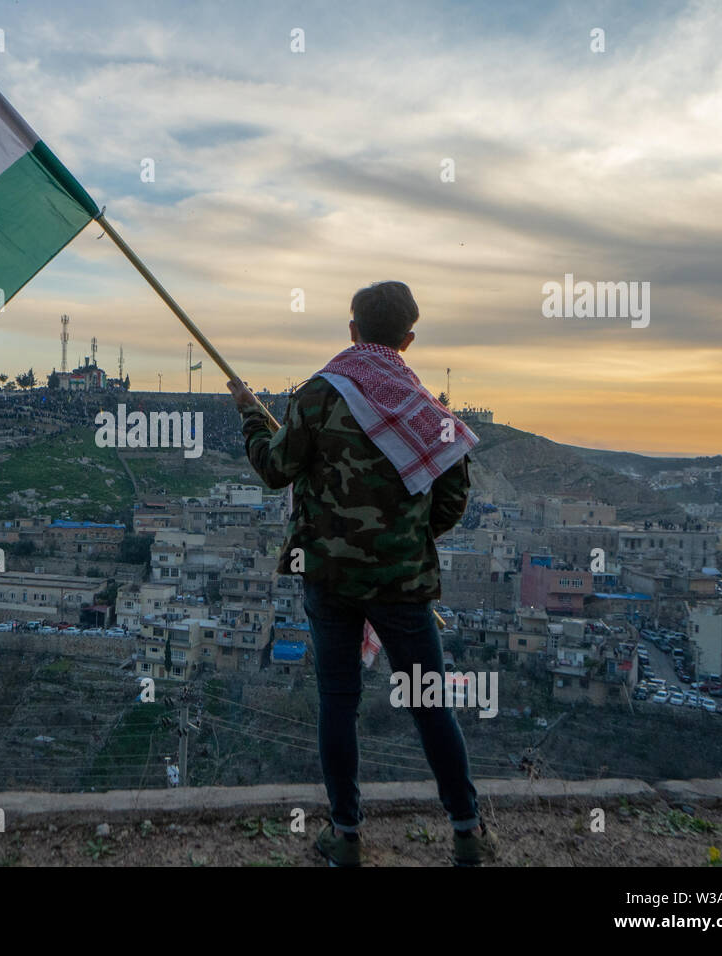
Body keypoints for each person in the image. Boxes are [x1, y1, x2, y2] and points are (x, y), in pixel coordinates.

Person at [227, 280, 498, 867]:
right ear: (408, 339)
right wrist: (404, 540)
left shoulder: (320, 394)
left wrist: (251, 417)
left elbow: (276, 469)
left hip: (328, 579)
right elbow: (452, 500)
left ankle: (345, 835)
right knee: (431, 704)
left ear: (352, 329)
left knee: (338, 702)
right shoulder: (429, 410)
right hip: (404, 585)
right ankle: (467, 831)